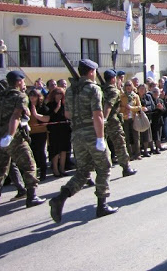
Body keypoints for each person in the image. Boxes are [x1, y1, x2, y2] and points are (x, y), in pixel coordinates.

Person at [49, 59, 117, 223]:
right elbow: (98, 115)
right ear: (92, 72)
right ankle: (102, 204)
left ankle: (61, 197)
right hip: (91, 133)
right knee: (104, 166)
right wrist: (100, 138)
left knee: (83, 171)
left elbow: (67, 114)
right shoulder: (93, 89)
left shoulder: (71, 91)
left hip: (76, 134)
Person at [0, 71, 46, 207]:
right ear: (18, 82)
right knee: (29, 165)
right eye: (23, 81)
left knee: (0, 169)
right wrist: (10, 135)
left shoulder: (0, 96)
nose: (24, 83)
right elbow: (16, 116)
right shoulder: (20, 96)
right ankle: (32, 196)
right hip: (13, 137)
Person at [101, 70, 136, 177]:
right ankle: (126, 167)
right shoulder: (113, 91)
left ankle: (88, 174)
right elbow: (109, 105)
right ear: (113, 79)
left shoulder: (101, 89)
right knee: (120, 144)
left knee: (99, 146)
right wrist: (105, 119)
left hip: (100, 121)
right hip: (111, 121)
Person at [46, 87, 71, 177]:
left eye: (61, 94)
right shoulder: (50, 104)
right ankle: (55, 170)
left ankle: (62, 169)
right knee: (55, 151)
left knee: (64, 150)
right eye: (57, 93)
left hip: (64, 129)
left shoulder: (65, 104)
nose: (59, 95)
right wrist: (57, 108)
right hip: (54, 130)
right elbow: (49, 117)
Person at [28, 89, 49, 181]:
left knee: (40, 152)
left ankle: (43, 172)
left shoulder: (43, 107)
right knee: (32, 153)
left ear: (39, 97)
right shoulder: (25, 106)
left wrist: (36, 114)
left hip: (40, 133)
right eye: (31, 95)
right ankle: (34, 173)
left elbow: (47, 119)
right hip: (29, 133)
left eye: (34, 95)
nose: (32, 97)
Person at [120, 81, 142, 160]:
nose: (128, 88)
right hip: (125, 118)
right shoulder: (122, 96)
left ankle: (137, 153)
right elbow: (119, 108)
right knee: (127, 137)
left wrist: (131, 108)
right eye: (127, 86)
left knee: (136, 136)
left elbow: (139, 107)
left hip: (134, 118)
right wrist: (124, 109)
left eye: (130, 86)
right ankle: (129, 154)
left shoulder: (135, 96)